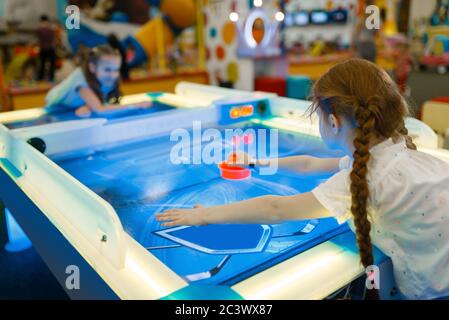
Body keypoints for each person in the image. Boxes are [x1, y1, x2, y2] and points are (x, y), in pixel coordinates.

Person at [157, 59, 449, 300]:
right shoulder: (391, 149)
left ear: (333, 122)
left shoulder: (366, 178)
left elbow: (277, 209)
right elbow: (311, 164)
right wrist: (258, 161)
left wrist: (205, 216)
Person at [45, 44, 152, 117]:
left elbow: (102, 98)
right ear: (92, 67)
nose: (113, 75)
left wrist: (89, 106)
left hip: (75, 103)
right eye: (107, 70)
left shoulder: (106, 77)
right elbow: (100, 110)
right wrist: (135, 105)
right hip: (57, 107)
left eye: (116, 70)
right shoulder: (82, 82)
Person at [36, 15, 56, 82]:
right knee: (50, 64)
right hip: (49, 48)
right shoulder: (50, 29)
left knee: (42, 63)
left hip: (44, 48)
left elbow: (38, 38)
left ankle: (41, 77)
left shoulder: (39, 30)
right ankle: (50, 77)